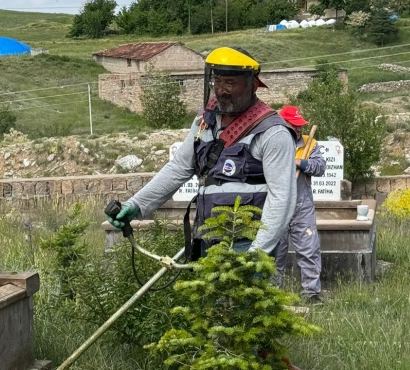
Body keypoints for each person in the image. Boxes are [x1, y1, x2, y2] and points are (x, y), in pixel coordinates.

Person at [107, 46, 301, 369]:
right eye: (218, 81)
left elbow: (283, 199)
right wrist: (136, 206)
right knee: (214, 334)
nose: (222, 90)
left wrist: (256, 254)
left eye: (232, 83)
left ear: (254, 83)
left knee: (250, 338)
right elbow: (177, 169)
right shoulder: (204, 122)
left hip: (248, 248)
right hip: (207, 244)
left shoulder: (273, 133)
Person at [274, 106, 327, 304]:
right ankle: (273, 294)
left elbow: (320, 167)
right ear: (283, 124)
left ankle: (311, 293)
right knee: (275, 253)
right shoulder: (272, 143)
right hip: (277, 205)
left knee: (309, 249)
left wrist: (301, 163)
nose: (298, 129)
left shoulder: (308, 143)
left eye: (299, 126)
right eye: (293, 125)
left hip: (301, 205)